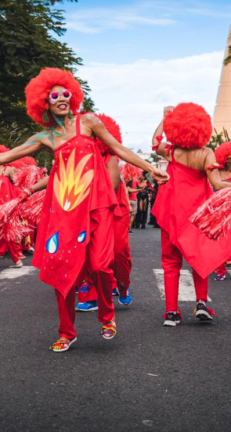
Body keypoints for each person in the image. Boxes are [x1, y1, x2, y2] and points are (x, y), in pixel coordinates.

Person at [0, 68, 168, 352]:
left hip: (96, 206)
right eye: (54, 96)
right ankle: (67, 331)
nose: (62, 98)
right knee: (64, 272)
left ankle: (107, 315)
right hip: (64, 211)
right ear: (44, 103)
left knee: (100, 265)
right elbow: (6, 155)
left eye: (66, 94)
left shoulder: (88, 122)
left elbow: (118, 148)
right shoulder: (45, 138)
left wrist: (150, 169)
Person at [151, 103, 231, 327]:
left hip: (172, 212)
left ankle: (171, 312)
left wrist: (164, 117)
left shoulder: (171, 152)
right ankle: (200, 303)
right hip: (198, 214)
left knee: (171, 262)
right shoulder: (206, 154)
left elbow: (155, 141)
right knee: (200, 257)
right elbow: (217, 183)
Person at [76, 113, 134, 311]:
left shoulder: (110, 158)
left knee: (118, 252)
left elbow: (112, 186)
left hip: (113, 209)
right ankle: (89, 295)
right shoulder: (77, 158)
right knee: (86, 251)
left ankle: (123, 284)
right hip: (84, 212)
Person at [212, 141, 231, 281]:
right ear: (226, 158)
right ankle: (220, 269)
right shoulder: (218, 172)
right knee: (221, 239)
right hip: (221, 208)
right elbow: (215, 187)